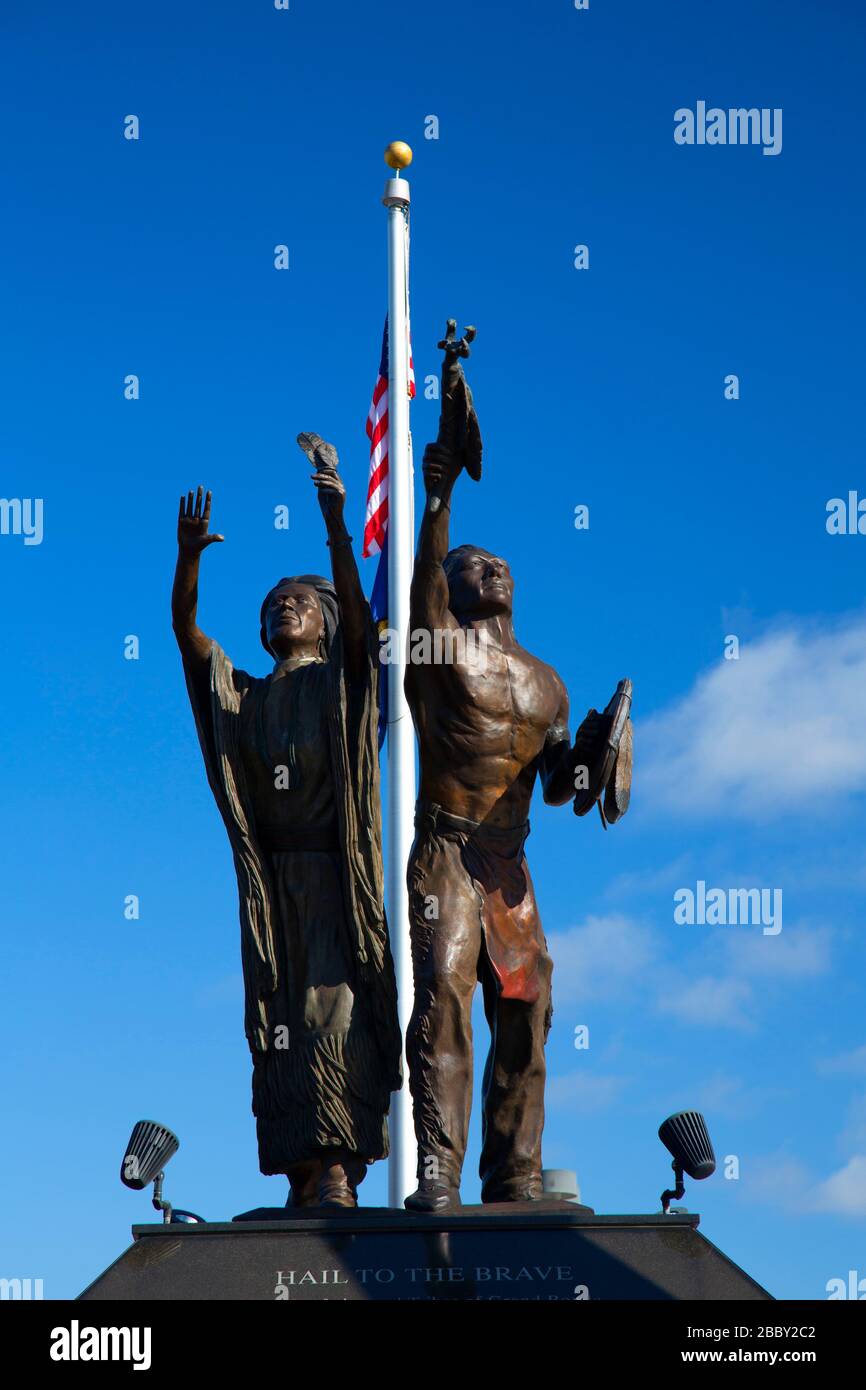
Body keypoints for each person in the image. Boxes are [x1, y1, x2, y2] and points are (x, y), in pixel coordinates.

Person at [171, 435, 400, 1209]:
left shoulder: (342, 683)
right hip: (273, 887)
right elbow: (188, 638)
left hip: (335, 872)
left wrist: (337, 522)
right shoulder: (246, 695)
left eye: (296, 602)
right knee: (275, 1012)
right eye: (270, 604)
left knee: (332, 1006)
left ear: (327, 622)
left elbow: (368, 633)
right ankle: (303, 1169)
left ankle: (339, 1162)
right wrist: (189, 561)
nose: (280, 609)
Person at [404, 439, 611, 1212]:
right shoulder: (438, 649)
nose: (490, 570)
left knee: (528, 1006)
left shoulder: (547, 683)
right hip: (449, 851)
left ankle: (514, 1174)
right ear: (451, 589)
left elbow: (561, 787)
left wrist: (591, 758)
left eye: (500, 565)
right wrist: (438, 497)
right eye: (471, 565)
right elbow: (420, 584)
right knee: (445, 1000)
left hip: (510, 865)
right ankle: (438, 1173)